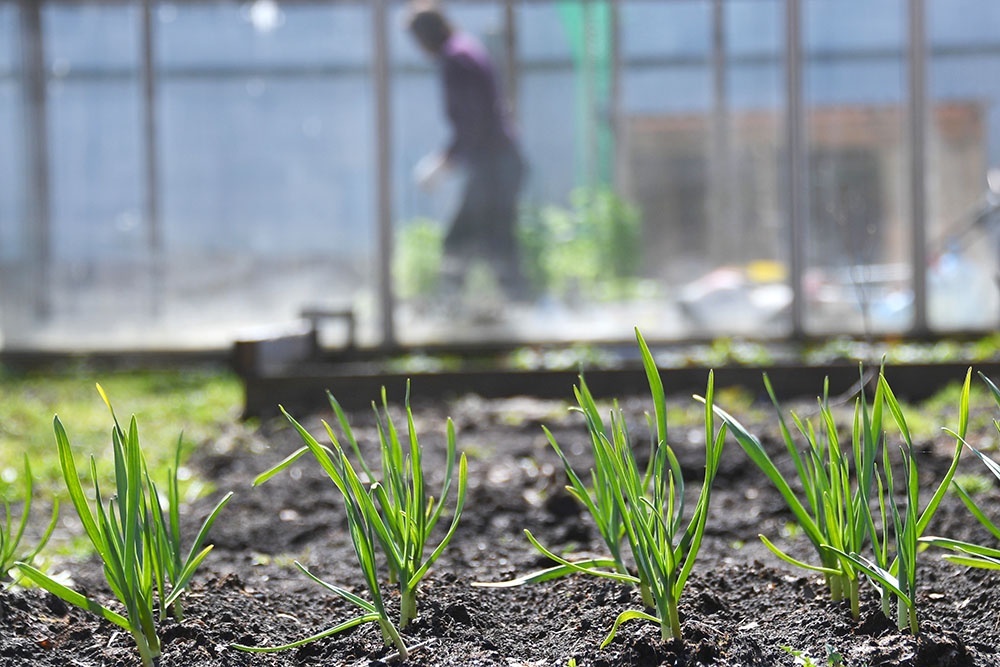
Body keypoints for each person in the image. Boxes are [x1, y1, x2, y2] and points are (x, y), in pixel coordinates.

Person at [407, 2, 528, 303]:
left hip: (495, 164)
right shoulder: (464, 50)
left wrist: (443, 162)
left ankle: (452, 307)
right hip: (499, 162)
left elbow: (473, 122)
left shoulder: (456, 58)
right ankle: (517, 305)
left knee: (462, 238)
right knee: (496, 239)